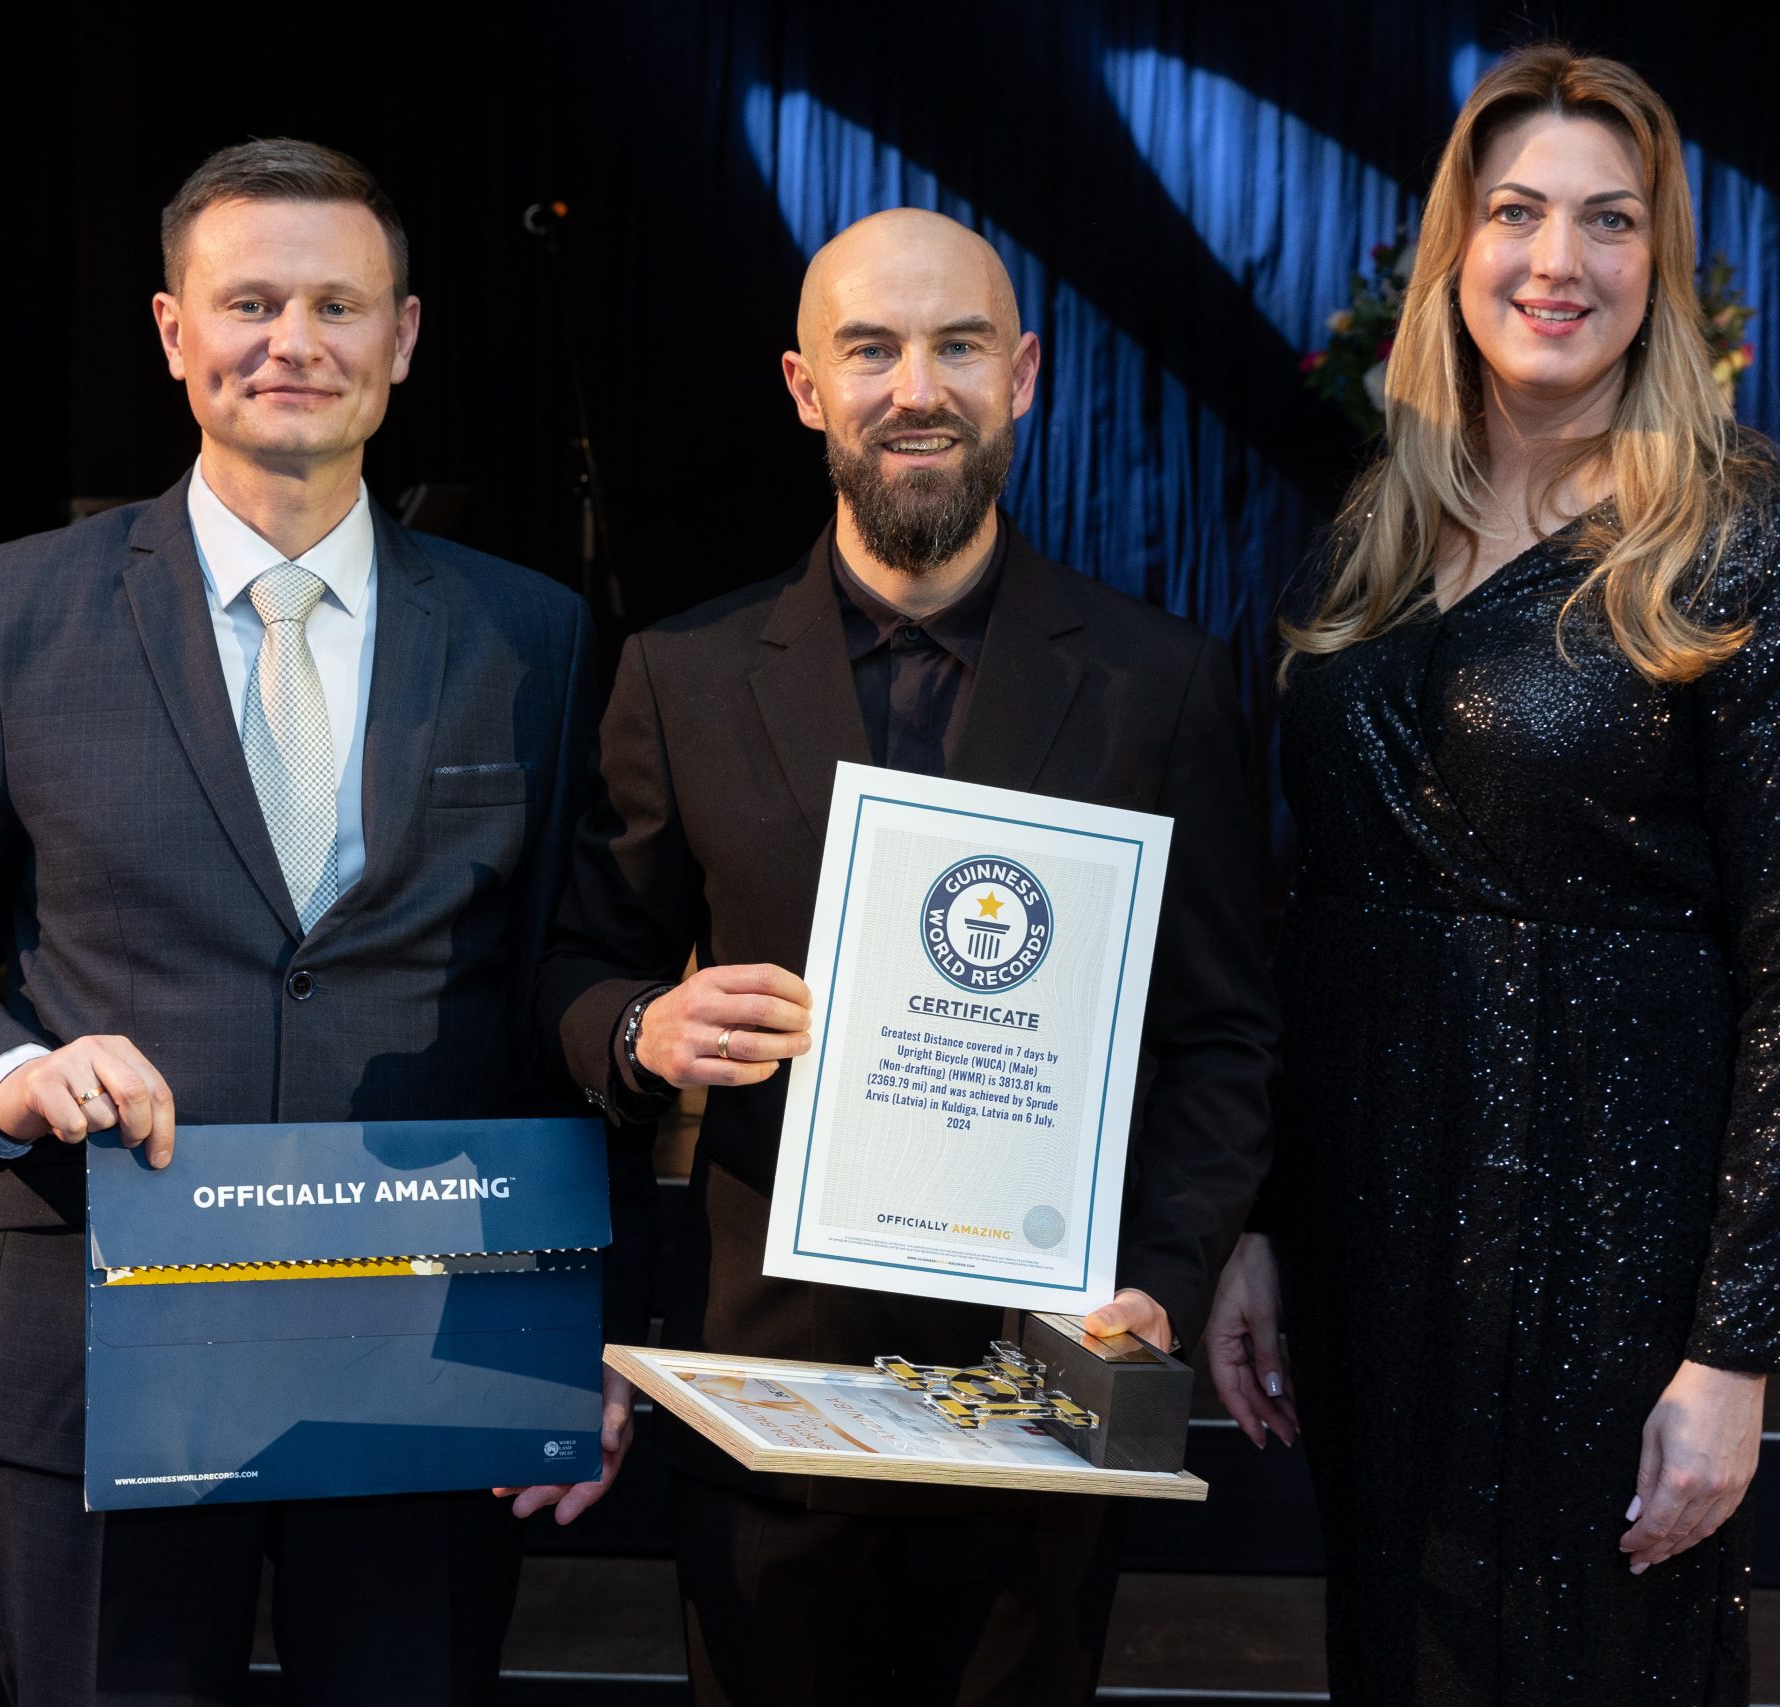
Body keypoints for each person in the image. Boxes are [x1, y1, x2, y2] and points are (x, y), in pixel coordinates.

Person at [0, 138, 625, 1706]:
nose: (292, 341)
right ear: (175, 333)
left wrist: (582, 1323)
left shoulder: (530, 631)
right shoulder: (16, 609)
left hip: (433, 1356)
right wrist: (7, 1075)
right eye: (250, 303)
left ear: (402, 338)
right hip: (101, 1355)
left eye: (337, 304)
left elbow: (554, 988)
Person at [529, 208, 1277, 1705]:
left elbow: (1223, 1036)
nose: (915, 389)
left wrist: (1162, 1281)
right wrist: (641, 1030)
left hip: (1040, 1403)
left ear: (1025, 376)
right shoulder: (681, 677)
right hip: (765, 1402)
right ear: (806, 387)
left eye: (959, 348)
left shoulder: (1161, 687)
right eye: (870, 350)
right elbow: (574, 976)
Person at [1200, 45, 1780, 1707]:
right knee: (1398, 1655)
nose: (1556, 260)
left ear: (1661, 263)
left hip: (1606, 1246)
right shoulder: (1376, 522)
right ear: (1456, 248)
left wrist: (1736, 1352)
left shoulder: (1743, 535)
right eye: (1515, 212)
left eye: (1608, 220)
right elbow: (1310, 908)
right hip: (1370, 1228)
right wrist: (1262, 1221)